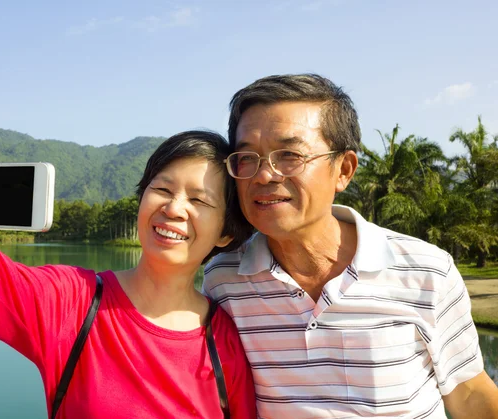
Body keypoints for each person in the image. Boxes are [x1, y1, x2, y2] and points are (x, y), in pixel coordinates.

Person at [203, 74, 498, 418]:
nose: (264, 175)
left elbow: (470, 395)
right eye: (247, 157)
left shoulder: (426, 271)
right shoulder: (224, 280)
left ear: (343, 169)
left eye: (288, 155)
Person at [0, 131, 257, 418]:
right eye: (163, 190)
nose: (174, 208)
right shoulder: (74, 300)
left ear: (226, 233)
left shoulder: (226, 340)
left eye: (199, 200)